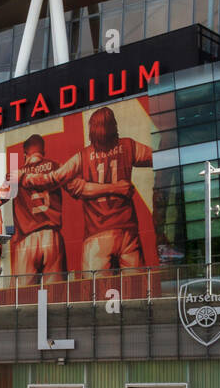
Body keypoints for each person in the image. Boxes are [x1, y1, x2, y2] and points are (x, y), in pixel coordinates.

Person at [21, 105, 152, 270]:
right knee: (136, 287)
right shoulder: (128, 146)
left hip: (96, 234)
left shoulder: (82, 157)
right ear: (114, 126)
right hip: (127, 231)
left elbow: (53, 178)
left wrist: (28, 178)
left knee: (95, 292)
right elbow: (160, 157)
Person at [8, 134, 68, 284]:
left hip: (26, 238)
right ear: (43, 152)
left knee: (23, 298)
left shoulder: (15, 176)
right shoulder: (56, 166)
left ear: (24, 155)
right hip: (51, 236)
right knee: (56, 295)